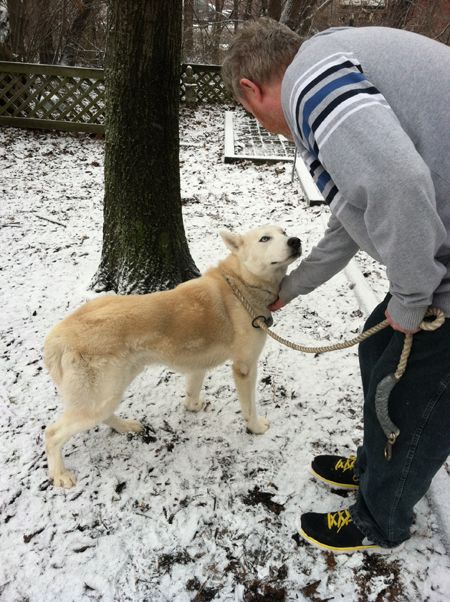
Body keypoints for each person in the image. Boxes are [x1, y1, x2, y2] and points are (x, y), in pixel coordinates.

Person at [222, 18, 450, 553]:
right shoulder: (329, 63)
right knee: (380, 343)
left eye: (251, 114)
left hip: (441, 275)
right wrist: (294, 285)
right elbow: (353, 214)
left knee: (415, 388)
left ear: (252, 90)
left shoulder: (315, 86)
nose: (265, 126)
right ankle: (375, 465)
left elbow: (399, 182)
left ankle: (381, 518)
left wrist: (414, 297)